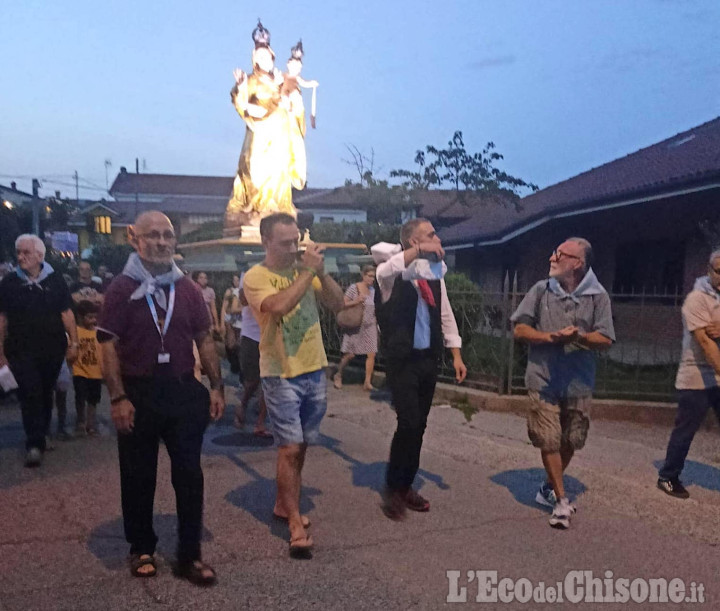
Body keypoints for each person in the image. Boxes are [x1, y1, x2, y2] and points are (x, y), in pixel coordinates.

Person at [97, 211, 224, 584]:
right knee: (138, 475)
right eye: (152, 235)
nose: (161, 242)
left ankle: (189, 554)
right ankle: (141, 547)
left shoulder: (187, 289)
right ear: (135, 239)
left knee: (189, 475)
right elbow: (107, 344)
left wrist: (216, 385)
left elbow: (204, 338)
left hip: (182, 390)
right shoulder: (121, 288)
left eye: (168, 235)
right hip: (138, 392)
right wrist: (118, 397)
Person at [243, 213, 344, 557]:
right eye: (284, 243)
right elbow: (279, 306)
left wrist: (322, 271)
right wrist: (307, 272)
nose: (292, 248)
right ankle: (295, 524)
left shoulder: (305, 272)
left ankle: (283, 504)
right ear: (265, 242)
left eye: (295, 241)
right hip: (280, 372)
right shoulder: (256, 277)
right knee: (288, 447)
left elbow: (338, 303)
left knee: (301, 447)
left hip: (314, 368)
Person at [511, 237, 614, 529]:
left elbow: (606, 338)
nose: (552, 257)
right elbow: (519, 328)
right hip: (543, 378)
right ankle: (561, 500)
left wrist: (579, 337)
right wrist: (550, 338)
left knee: (571, 440)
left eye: (559, 254)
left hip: (579, 381)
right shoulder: (541, 290)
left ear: (577, 263)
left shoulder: (598, 296)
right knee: (549, 438)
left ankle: (548, 487)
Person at [375, 219, 467, 521]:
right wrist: (417, 252)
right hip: (402, 361)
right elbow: (385, 271)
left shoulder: (433, 275)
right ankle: (395, 486)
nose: (437, 239)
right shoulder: (393, 274)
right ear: (413, 241)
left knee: (420, 425)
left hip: (428, 360)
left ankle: (406, 484)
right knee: (409, 422)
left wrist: (456, 354)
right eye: (430, 235)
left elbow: (446, 315)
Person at [0, 234, 78, 466]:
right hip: (20, 350)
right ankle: (34, 443)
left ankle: (41, 433)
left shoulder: (55, 281)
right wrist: (1, 353)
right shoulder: (9, 284)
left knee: (45, 393)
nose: (21, 256)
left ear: (40, 256)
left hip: (52, 350)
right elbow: (2, 319)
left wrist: (74, 343)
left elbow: (67, 313)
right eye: (19, 252)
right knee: (30, 392)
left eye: (26, 252)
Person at [224, 21, 307, 235]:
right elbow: (240, 102)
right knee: (255, 172)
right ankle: (257, 209)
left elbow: (294, 107)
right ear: (254, 60)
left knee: (279, 174)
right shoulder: (251, 80)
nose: (264, 60)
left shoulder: (281, 81)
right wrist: (241, 88)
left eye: (267, 56)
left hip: (280, 136)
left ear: (272, 57)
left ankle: (277, 210)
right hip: (260, 134)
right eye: (259, 57)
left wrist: (292, 100)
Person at [657, 250, 720, 499]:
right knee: (686, 429)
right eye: (719, 271)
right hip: (697, 374)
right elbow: (705, 342)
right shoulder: (696, 299)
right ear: (709, 270)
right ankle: (668, 476)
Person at [234, 270, 271, 437]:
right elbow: (243, 300)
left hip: (271, 336)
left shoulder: (279, 271)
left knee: (268, 381)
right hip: (251, 335)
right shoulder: (249, 272)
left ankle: (260, 423)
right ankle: (243, 403)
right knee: (253, 380)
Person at [333, 264, 378, 391]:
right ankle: (339, 374)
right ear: (363, 275)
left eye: (373, 277)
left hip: (370, 325)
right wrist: (356, 301)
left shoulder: (373, 291)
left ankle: (367, 382)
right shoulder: (354, 288)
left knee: (371, 354)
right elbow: (342, 303)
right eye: (369, 276)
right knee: (350, 354)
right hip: (356, 325)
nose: (372, 279)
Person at [73, 300, 103, 436]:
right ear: (80, 317)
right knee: (80, 396)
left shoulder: (99, 333)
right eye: (89, 317)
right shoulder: (76, 331)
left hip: (96, 372)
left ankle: (90, 423)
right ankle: (81, 421)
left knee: (93, 400)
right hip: (79, 370)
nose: (93, 320)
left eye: (95, 317)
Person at [220, 274, 243, 376]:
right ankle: (233, 364)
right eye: (235, 280)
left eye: (238, 280)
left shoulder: (244, 290)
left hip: (240, 322)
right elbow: (224, 308)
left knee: (238, 344)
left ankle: (237, 366)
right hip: (231, 320)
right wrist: (222, 323)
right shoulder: (230, 291)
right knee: (231, 344)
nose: (236, 282)